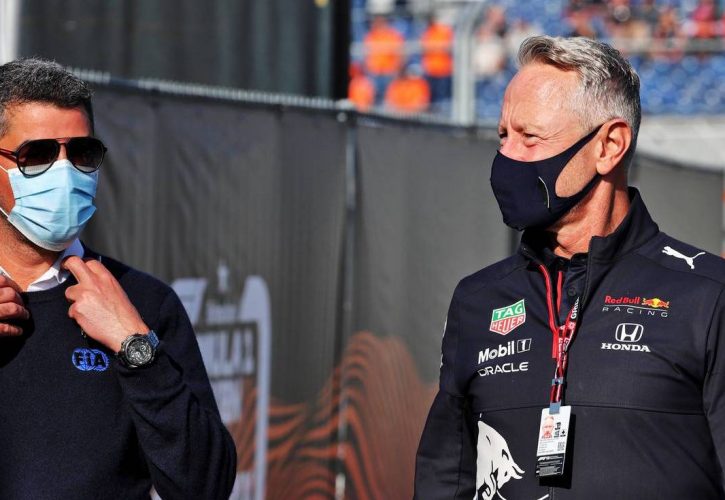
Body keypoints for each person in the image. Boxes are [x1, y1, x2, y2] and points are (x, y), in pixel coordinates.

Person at [415, 36, 725, 499]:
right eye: (503, 136)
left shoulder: (707, 295)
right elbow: (445, 476)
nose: (508, 156)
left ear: (609, 145)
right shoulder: (477, 300)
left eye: (530, 138)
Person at [0, 58, 236, 499]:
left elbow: (205, 486)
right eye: (39, 155)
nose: (65, 171)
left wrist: (135, 347)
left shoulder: (144, 303)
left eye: (82, 153)